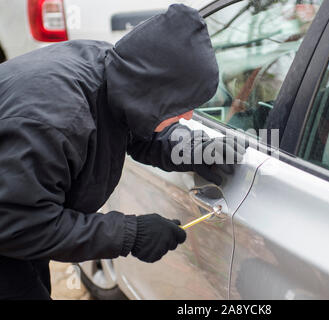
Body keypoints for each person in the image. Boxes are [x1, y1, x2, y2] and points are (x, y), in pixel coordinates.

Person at [0, 4, 245, 300]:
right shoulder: (57, 123)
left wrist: (194, 149)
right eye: (182, 105)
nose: (190, 116)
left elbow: (137, 127)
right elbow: (19, 224)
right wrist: (131, 233)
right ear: (156, 94)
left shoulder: (116, 72)